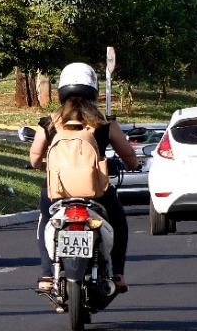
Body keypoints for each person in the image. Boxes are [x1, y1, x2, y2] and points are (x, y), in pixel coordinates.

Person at [29, 63, 138, 293]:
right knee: (118, 221)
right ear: (94, 91)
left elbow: (36, 156)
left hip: (58, 191)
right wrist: (133, 164)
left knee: (45, 220)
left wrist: (42, 166)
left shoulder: (50, 122)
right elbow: (127, 153)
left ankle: (47, 274)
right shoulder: (105, 123)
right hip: (97, 192)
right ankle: (117, 274)